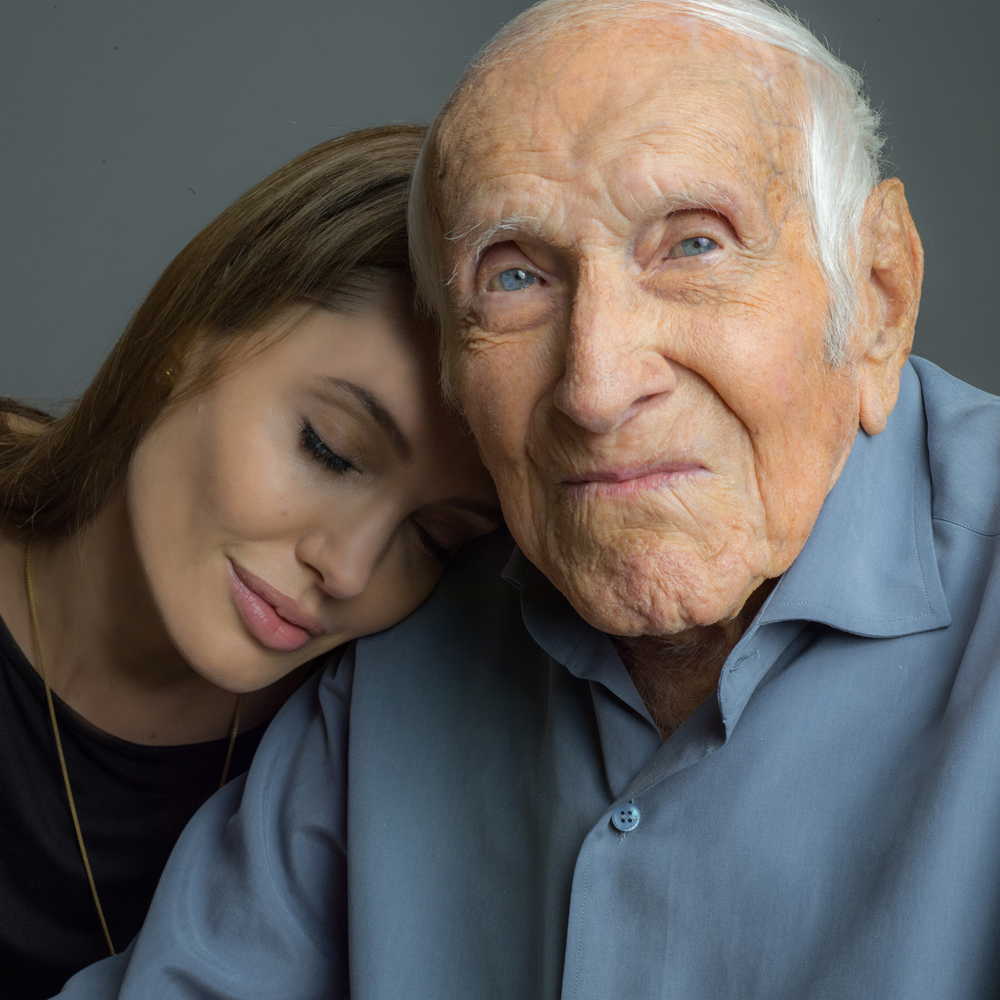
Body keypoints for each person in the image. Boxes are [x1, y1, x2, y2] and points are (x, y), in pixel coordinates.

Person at [55, 0, 1000, 997]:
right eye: (514, 277)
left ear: (879, 295)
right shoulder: (413, 643)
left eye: (694, 245)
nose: (595, 386)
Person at [0, 123, 498, 997]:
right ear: (191, 336)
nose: (348, 569)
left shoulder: (368, 733)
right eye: (329, 448)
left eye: (432, 539)